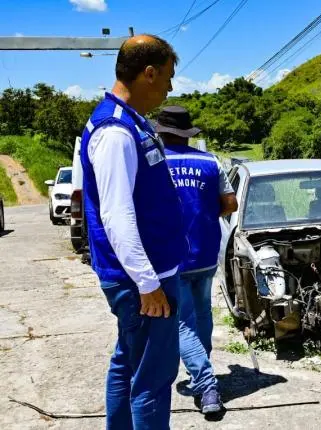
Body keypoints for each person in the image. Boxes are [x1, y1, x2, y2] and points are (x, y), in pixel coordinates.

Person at [79, 35, 186, 430]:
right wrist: (147, 283)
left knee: (129, 362)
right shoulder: (116, 132)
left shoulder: (128, 120)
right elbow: (117, 215)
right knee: (153, 378)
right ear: (149, 73)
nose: (169, 87)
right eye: (168, 77)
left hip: (142, 275)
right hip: (143, 279)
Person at [155, 105, 238, 414]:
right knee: (202, 313)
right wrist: (205, 215)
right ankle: (201, 368)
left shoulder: (155, 162)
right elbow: (231, 203)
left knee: (181, 323)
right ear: (188, 134)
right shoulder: (210, 161)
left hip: (171, 257)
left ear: (161, 133)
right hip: (206, 251)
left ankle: (206, 385)